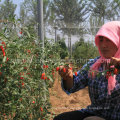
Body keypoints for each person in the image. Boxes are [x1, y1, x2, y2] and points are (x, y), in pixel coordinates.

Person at [53, 21, 120, 120]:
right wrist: (69, 77)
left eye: (109, 40)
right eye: (101, 40)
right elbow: (73, 85)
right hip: (94, 112)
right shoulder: (94, 65)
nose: (103, 45)